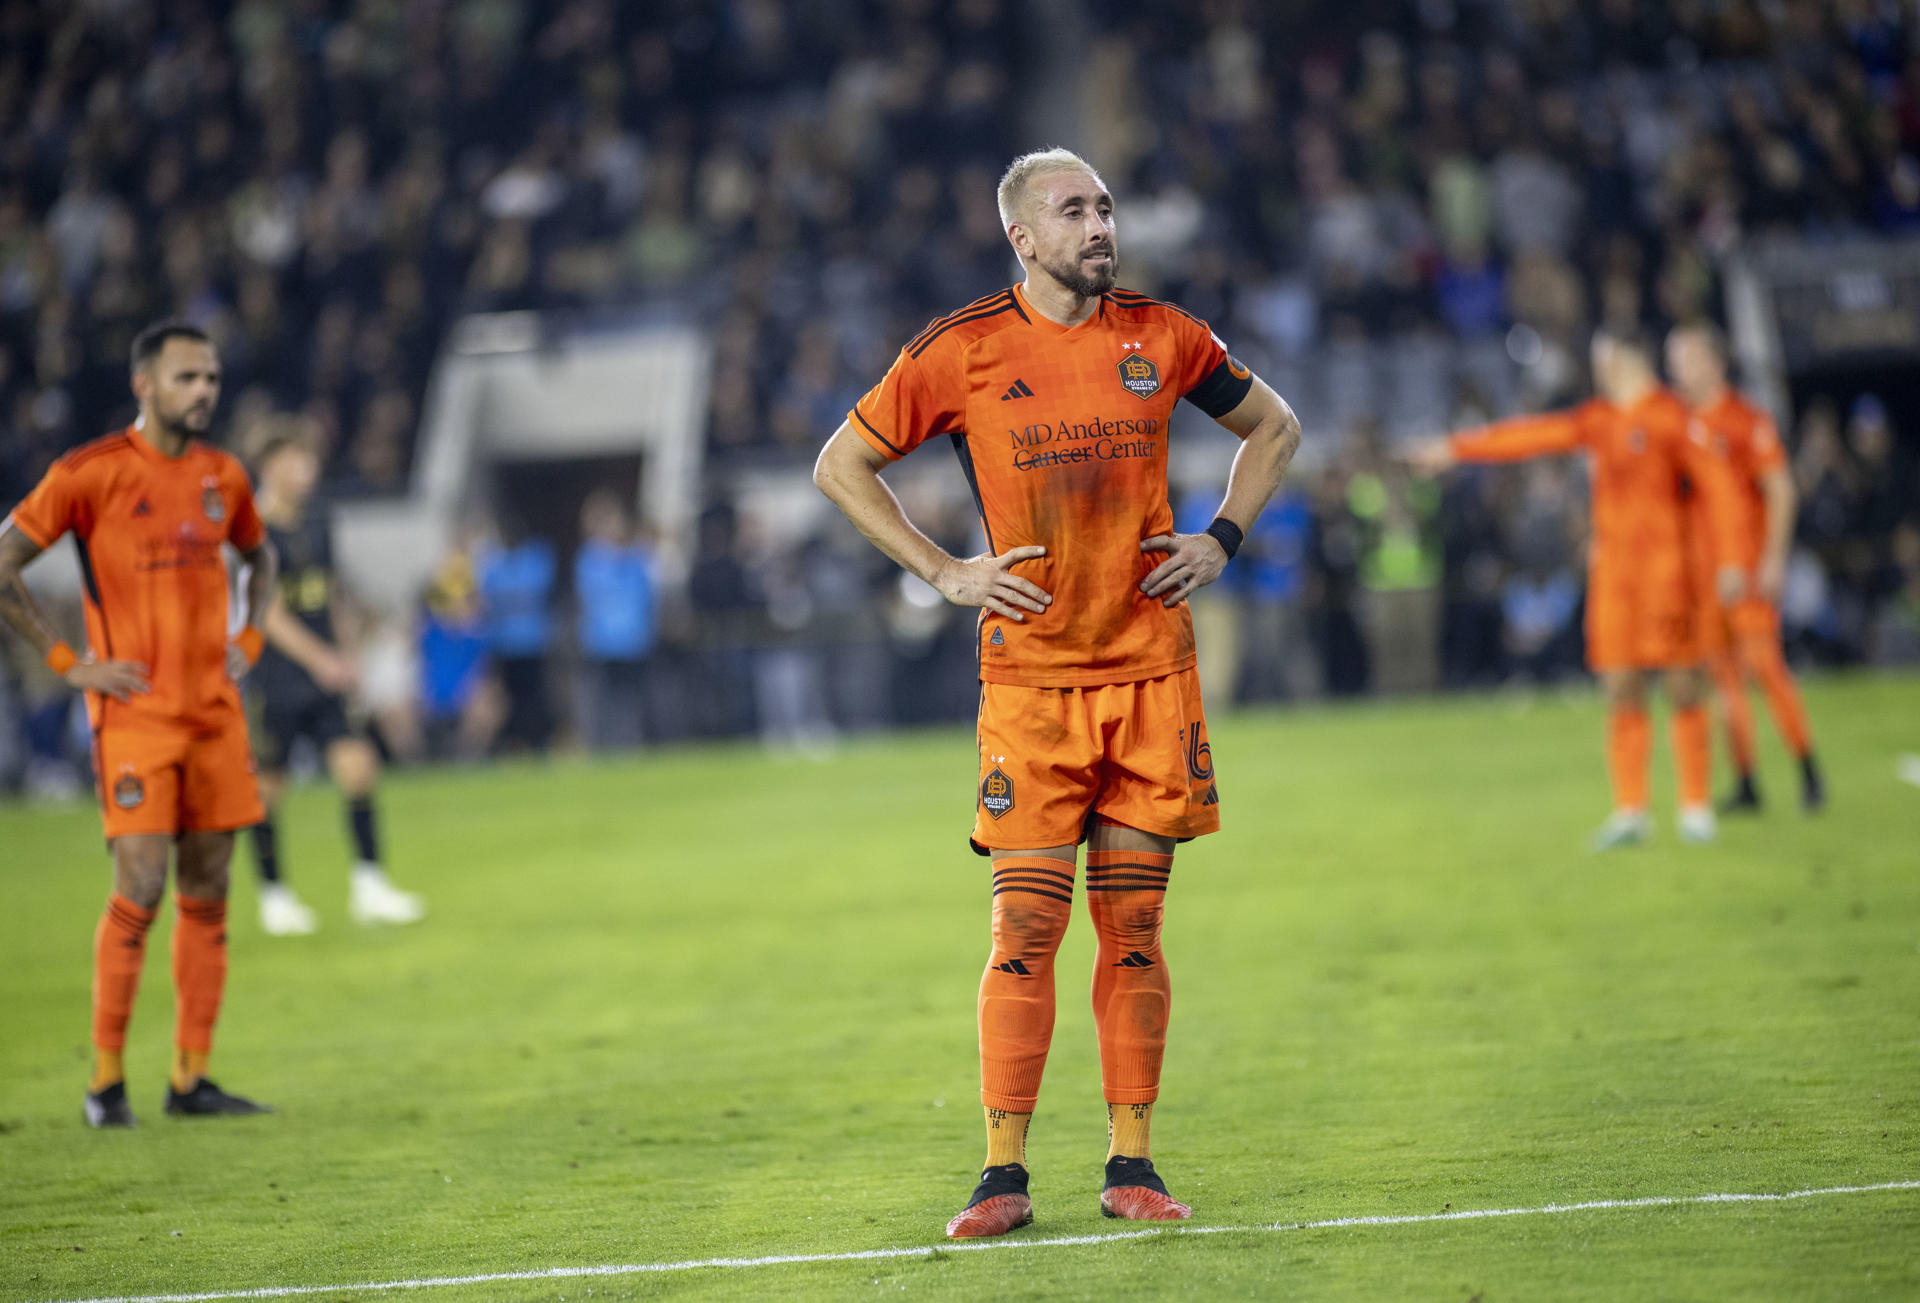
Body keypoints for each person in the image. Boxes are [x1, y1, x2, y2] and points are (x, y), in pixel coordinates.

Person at [813, 149, 1301, 1238]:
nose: (1099, 224)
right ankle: (1002, 1174)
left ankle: (1132, 1161)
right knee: (1026, 926)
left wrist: (1222, 539)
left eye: (1106, 206)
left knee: (1133, 924)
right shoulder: (965, 350)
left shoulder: (1165, 336)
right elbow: (841, 464)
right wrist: (944, 570)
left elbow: (1278, 427)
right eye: (1073, 210)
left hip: (1148, 674)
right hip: (1031, 687)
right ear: (1023, 239)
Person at [0, 319, 279, 1126]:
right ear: (144, 384)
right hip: (135, 720)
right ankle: (106, 1083)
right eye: (188, 377)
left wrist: (251, 635)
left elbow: (262, 557)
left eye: (213, 378)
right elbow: (5, 561)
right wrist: (65, 662)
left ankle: (191, 1080)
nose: (204, 392)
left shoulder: (225, 475)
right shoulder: (89, 474)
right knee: (142, 884)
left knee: (211, 886)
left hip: (215, 718)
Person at [1412, 325, 1743, 849]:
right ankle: (1632, 809)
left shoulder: (1672, 417)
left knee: (1683, 685)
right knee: (1620, 687)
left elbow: (1720, 487)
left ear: (1625, 358)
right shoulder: (1599, 419)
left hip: (1666, 574)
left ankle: (1695, 805)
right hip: (1613, 576)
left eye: (1603, 357)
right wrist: (1460, 448)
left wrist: (1730, 560)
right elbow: (1533, 436)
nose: (1598, 367)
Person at [245, 435, 426, 935]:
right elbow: (268, 613)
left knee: (359, 768)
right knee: (267, 790)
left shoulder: (322, 519)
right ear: (271, 466)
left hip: (328, 672)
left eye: (309, 458)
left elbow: (334, 593)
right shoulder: (251, 529)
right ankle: (274, 896)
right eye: (296, 459)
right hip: (275, 678)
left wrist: (348, 655)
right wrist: (322, 659)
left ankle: (370, 886)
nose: (307, 468)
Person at [1664, 323, 1825, 813]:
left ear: (1715, 362)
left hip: (1746, 571)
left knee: (1765, 669)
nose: (1678, 369)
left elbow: (1781, 489)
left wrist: (1771, 559)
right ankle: (1748, 783)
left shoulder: (1744, 419)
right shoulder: (1678, 423)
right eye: (1674, 359)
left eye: (1687, 358)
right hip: (1703, 576)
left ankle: (1809, 772)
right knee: (1722, 679)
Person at [573, 491, 657, 751]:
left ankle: (629, 745)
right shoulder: (589, 560)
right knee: (601, 701)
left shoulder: (637, 557)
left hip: (633, 642)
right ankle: (600, 746)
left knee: (630, 701)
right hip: (601, 644)